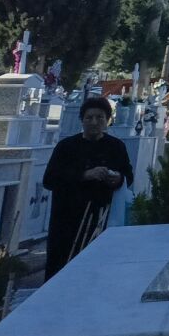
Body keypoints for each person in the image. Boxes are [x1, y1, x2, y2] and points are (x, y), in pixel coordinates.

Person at [43, 96, 134, 280]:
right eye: (89, 117)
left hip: (102, 216)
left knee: (95, 271)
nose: (94, 122)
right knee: (62, 270)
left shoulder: (116, 146)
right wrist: (84, 175)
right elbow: (50, 179)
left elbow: (128, 176)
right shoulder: (66, 147)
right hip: (67, 220)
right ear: (82, 120)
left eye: (100, 117)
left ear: (108, 120)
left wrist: (117, 179)